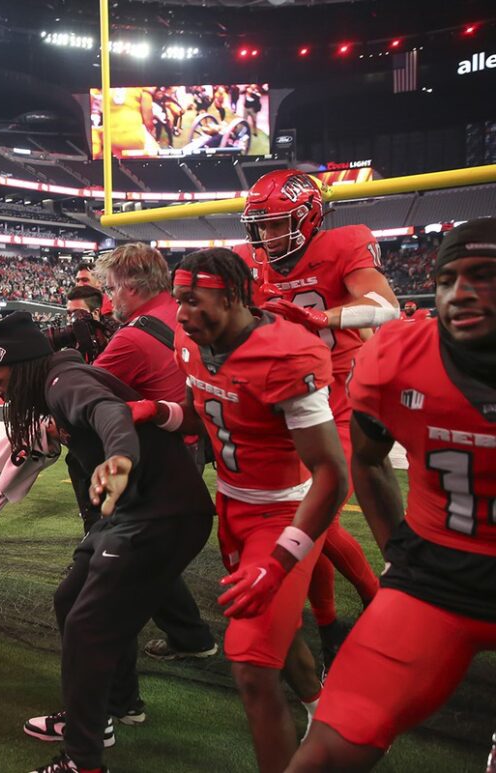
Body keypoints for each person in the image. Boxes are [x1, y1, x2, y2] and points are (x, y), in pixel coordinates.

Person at [288, 218, 496, 771]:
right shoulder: (399, 356)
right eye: (447, 278)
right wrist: (397, 552)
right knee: (331, 742)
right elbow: (370, 458)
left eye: (483, 275)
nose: (460, 293)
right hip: (435, 577)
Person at [135, 249, 348, 772]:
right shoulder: (192, 342)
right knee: (281, 635)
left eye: (190, 299)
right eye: (177, 299)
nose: (179, 314)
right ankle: (328, 717)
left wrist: (280, 560)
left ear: (231, 296)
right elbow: (203, 413)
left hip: (281, 516)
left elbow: (332, 476)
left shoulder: (286, 354)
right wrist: (154, 411)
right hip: (230, 507)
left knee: (251, 664)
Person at [0, 312, 213, 773]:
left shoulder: (62, 383)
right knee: (72, 601)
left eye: (1, 380)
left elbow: (108, 413)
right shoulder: (59, 379)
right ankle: (117, 705)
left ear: (26, 368)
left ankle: (83, 760)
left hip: (162, 511)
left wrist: (120, 461)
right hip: (139, 509)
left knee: (89, 625)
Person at [236, 169, 395, 668]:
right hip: (283, 407)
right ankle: (330, 625)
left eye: (277, 224)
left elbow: (386, 307)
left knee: (314, 520)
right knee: (307, 527)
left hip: (340, 403)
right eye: (259, 226)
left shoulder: (343, 244)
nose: (266, 236)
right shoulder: (248, 262)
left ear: (308, 218)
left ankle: (373, 602)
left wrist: (324, 318)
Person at [91, 243, 218, 664]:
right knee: (151, 549)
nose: (109, 297)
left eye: (111, 288)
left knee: (127, 554)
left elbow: (86, 392)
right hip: (199, 439)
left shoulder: (134, 336)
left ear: (130, 285)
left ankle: (129, 664)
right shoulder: (185, 313)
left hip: (163, 453)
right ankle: (190, 634)